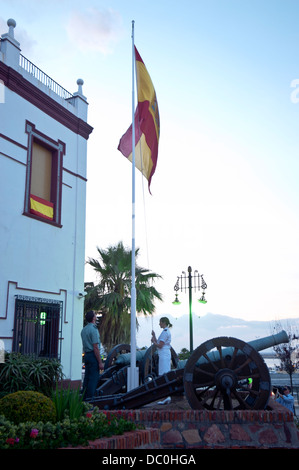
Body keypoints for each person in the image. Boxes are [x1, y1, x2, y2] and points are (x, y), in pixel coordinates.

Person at [81, 310, 104, 400]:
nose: (96, 316)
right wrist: (100, 362)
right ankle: (90, 401)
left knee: (86, 378)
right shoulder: (93, 329)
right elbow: (95, 347)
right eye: (95, 315)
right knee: (93, 379)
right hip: (93, 355)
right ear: (93, 318)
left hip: (86, 356)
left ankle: (84, 398)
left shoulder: (84, 330)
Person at [151, 316, 172, 404]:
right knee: (164, 375)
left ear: (163, 322)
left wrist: (154, 342)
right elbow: (159, 343)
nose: (159, 324)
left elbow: (160, 345)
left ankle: (165, 397)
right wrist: (154, 336)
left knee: (163, 376)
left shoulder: (165, 332)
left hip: (164, 355)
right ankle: (166, 396)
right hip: (164, 355)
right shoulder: (165, 331)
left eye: (160, 322)